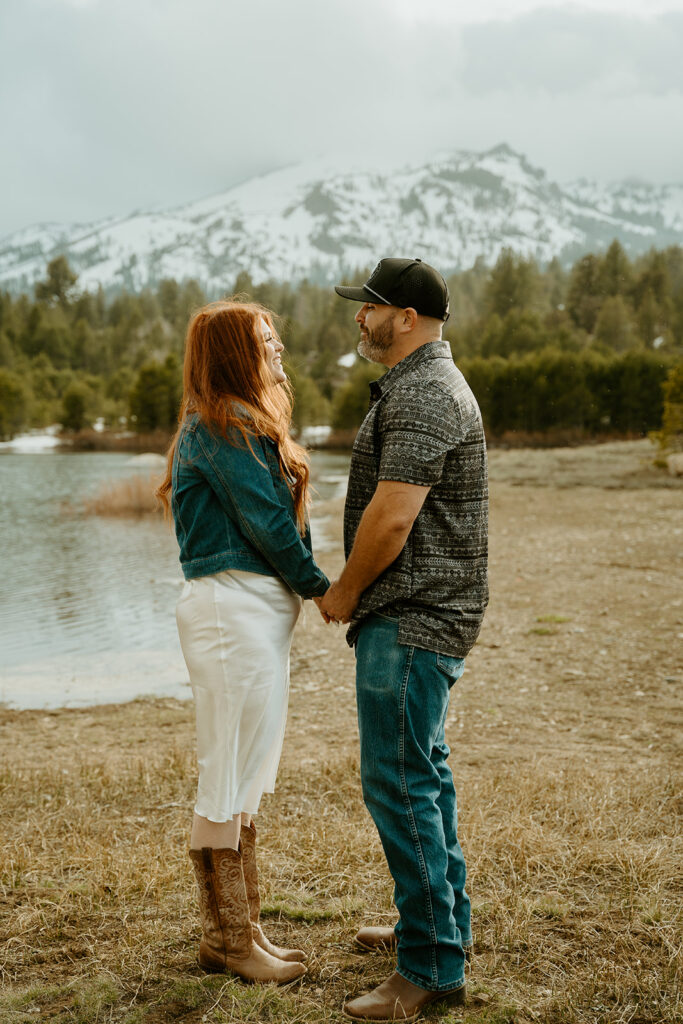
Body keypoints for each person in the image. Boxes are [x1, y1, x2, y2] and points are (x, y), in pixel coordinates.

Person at [321, 259, 489, 1022]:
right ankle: (434, 927)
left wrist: (343, 593)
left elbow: (391, 518)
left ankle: (427, 969)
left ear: (408, 318)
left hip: (413, 617)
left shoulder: (422, 391)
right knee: (424, 774)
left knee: (400, 783)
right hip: (424, 615)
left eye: (371, 307)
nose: (360, 318)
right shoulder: (418, 383)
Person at [156, 300, 329, 985]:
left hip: (251, 614)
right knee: (225, 774)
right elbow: (266, 524)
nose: (278, 347)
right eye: (264, 339)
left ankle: (240, 930)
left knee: (247, 774)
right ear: (234, 354)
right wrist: (324, 590)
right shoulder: (218, 429)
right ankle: (228, 940)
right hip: (229, 613)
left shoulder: (243, 426)